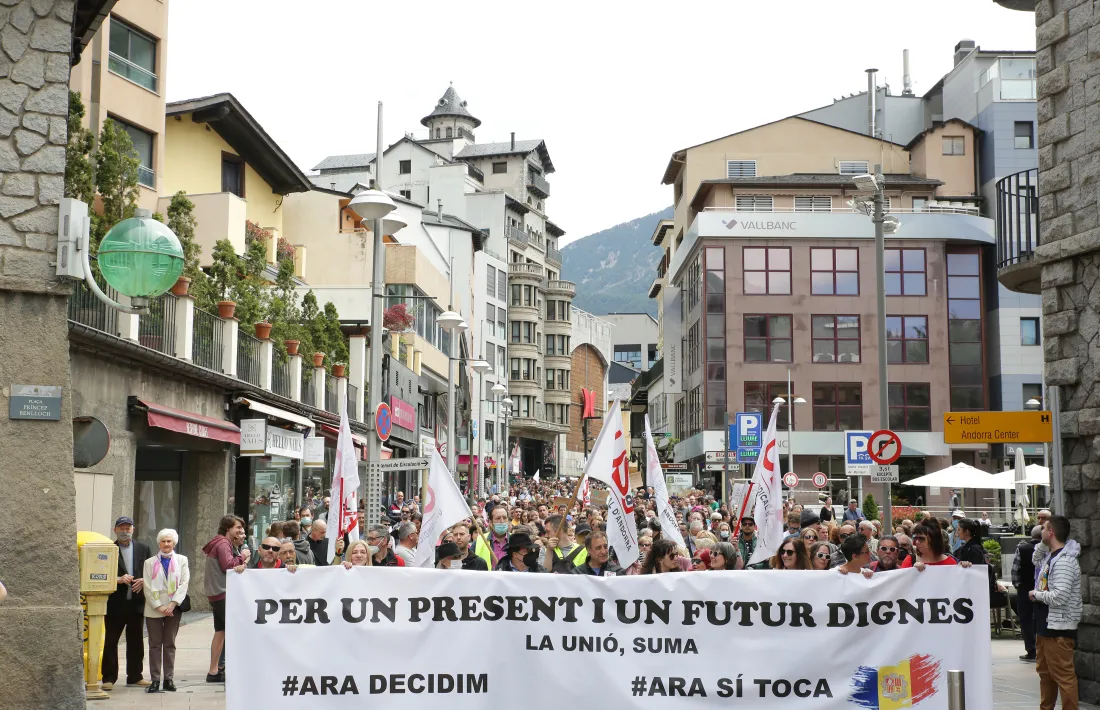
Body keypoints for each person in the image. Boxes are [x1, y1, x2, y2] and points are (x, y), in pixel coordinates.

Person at [1030, 515, 1082, 710]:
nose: (1039, 530)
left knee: (1063, 676)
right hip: (1046, 625)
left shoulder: (1065, 562)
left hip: (1058, 628)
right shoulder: (1050, 556)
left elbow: (1060, 596)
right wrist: (1044, 544)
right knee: (1045, 674)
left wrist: (1036, 594)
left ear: (1051, 532)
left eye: (1043, 528)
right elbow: (1035, 559)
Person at [103, 516, 152, 690]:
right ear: (115, 530)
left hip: (136, 603)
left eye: (128, 528)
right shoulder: (108, 549)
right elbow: (102, 574)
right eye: (121, 528)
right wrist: (118, 579)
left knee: (136, 641)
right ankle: (108, 677)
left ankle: (135, 676)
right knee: (110, 641)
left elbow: (152, 572)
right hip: (115, 604)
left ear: (133, 530)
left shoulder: (143, 548)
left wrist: (143, 581)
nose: (125, 531)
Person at [201, 515, 248, 684]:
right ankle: (232, 669)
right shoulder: (222, 543)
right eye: (237, 528)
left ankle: (213, 671)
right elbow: (228, 565)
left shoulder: (220, 542)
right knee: (234, 631)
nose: (240, 531)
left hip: (217, 593)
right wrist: (243, 556)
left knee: (220, 632)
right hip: (222, 593)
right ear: (228, 528)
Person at [142, 529, 190, 694]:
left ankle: (168, 679)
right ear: (158, 543)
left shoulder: (182, 560)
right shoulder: (149, 562)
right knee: (154, 645)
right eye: (163, 541)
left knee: (169, 644)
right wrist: (158, 606)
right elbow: (147, 586)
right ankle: (155, 680)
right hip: (154, 608)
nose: (166, 544)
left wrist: (172, 604)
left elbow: (184, 583)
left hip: (173, 608)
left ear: (174, 543)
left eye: (169, 541)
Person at [1014, 525, 1042, 662]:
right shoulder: (1047, 549)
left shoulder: (1022, 548)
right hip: (1042, 589)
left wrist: (1018, 585)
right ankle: (1042, 649)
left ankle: (1031, 650)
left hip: (1025, 588)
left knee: (1025, 619)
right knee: (1040, 617)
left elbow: (1015, 569)